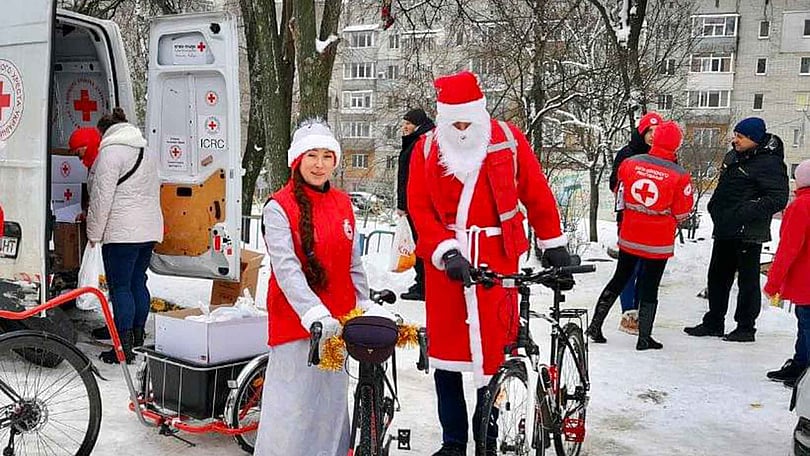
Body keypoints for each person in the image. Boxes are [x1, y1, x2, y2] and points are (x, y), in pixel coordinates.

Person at [407, 71, 572, 456]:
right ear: (444, 119)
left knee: (495, 356)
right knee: (447, 358)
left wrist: (553, 242)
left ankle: (489, 437)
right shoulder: (426, 149)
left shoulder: (508, 140)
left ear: (479, 114)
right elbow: (419, 207)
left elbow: (536, 191)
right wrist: (446, 250)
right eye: (455, 123)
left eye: (468, 121)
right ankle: (453, 442)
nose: (463, 130)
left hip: (498, 262)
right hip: (447, 269)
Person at [255, 119, 386, 456]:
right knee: (293, 408)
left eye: (327, 156)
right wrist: (312, 312)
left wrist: (364, 302)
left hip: (337, 324)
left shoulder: (342, 203)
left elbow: (352, 262)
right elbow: (286, 269)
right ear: (297, 160)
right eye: (311, 155)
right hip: (296, 323)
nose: (319, 164)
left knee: (329, 406)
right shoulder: (278, 206)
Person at [585, 121, 694, 350]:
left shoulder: (630, 163)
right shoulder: (680, 175)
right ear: (676, 145)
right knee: (650, 285)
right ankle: (644, 337)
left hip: (630, 234)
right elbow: (683, 211)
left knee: (620, 278)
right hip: (658, 241)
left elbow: (619, 191)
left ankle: (595, 326)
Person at [685, 117, 789, 342]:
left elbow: (778, 198)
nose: (735, 140)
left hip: (749, 231)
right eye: (735, 135)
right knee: (717, 276)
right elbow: (724, 187)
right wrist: (715, 207)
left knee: (747, 282)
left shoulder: (770, 163)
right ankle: (714, 321)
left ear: (754, 139)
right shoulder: (732, 157)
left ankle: (745, 327)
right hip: (725, 226)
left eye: (740, 137)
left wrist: (745, 211)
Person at [86, 108, 163, 363]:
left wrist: (93, 233)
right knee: (138, 282)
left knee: (120, 288)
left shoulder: (110, 153)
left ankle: (122, 347)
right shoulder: (146, 151)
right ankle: (137, 336)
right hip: (149, 230)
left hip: (122, 233)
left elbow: (101, 198)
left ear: (106, 131)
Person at [608, 111, 663, 335]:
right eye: (649, 131)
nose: (653, 135)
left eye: (657, 131)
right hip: (630, 220)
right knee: (629, 268)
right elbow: (615, 183)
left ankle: (641, 313)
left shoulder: (665, 157)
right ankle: (628, 313)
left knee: (646, 270)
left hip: (655, 225)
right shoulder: (627, 154)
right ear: (641, 132)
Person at [764, 159, 810, 387]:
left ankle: (805, 375)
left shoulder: (801, 206)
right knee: (805, 324)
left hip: (806, 281)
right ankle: (800, 365)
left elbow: (788, 248)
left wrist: (773, 283)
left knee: (807, 324)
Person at [397, 108, 435, 301]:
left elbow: (411, 178)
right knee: (418, 243)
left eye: (408, 124)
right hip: (413, 202)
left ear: (418, 124)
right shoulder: (416, 141)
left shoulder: (420, 143)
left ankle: (425, 285)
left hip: (417, 204)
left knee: (420, 244)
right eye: (404, 123)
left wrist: (403, 204)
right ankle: (422, 281)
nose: (404, 127)